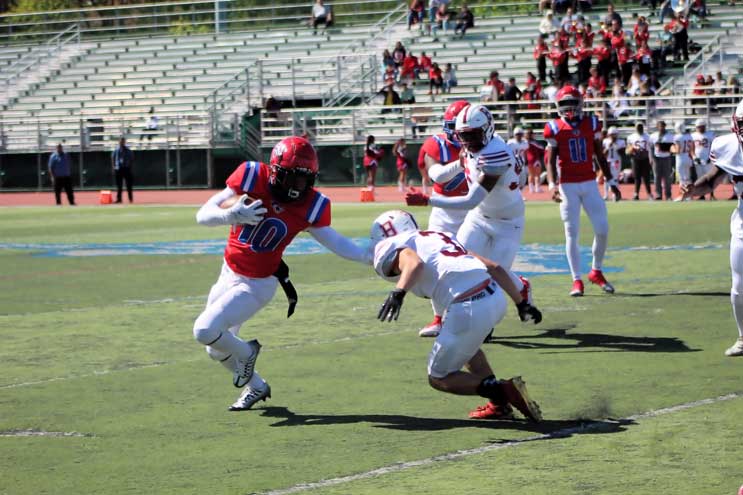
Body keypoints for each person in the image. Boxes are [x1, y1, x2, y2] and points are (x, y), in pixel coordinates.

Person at [193, 136, 372, 411]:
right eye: (291, 178)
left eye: (303, 180)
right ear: (275, 170)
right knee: (214, 349)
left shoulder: (312, 205)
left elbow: (337, 243)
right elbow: (203, 215)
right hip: (228, 272)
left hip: (256, 285)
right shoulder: (253, 175)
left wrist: (373, 257)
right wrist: (231, 215)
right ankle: (257, 386)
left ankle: (248, 351)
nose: (296, 187)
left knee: (204, 330)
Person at [371, 210, 543, 420]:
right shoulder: (438, 237)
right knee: (468, 349)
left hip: (469, 305)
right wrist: (521, 302)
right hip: (495, 297)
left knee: (439, 377)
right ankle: (499, 405)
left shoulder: (397, 246)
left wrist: (398, 292)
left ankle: (502, 391)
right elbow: (493, 266)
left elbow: (413, 263)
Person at [406, 104, 533, 334]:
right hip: (478, 218)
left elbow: (470, 200)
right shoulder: (471, 148)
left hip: (506, 223)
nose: (468, 142)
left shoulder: (495, 153)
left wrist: (427, 201)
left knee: (491, 278)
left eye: (473, 136)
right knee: (455, 264)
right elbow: (449, 172)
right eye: (463, 137)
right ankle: (450, 318)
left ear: (487, 129)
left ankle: (514, 294)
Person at [680, 99, 743, 356]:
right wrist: (695, 188)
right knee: (739, 285)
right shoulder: (728, 147)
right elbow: (713, 179)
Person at [544, 86, 619, 296]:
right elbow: (550, 161)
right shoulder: (554, 127)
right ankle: (576, 280)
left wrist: (611, 181)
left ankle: (596, 270)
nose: (568, 109)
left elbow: (599, 154)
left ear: (580, 104)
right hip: (568, 186)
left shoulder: (592, 123)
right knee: (571, 234)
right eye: (564, 104)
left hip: (589, 183)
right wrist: (552, 185)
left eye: (572, 104)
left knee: (602, 229)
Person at [414, 100, 471, 337]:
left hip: (474, 210)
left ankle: (476, 317)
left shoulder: (484, 143)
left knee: (474, 266)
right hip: (444, 209)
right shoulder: (435, 144)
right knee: (434, 264)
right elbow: (437, 175)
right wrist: (462, 162)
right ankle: (438, 318)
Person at [626, 122, 653, 200]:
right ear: (635, 127)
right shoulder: (631, 137)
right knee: (637, 177)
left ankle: (649, 194)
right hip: (636, 158)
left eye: (641, 126)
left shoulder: (648, 136)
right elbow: (627, 150)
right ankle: (636, 193)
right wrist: (632, 149)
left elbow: (650, 149)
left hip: (645, 158)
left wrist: (651, 159)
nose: (639, 128)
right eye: (638, 127)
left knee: (646, 177)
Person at [649, 120, 675, 200]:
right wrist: (651, 158)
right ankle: (658, 194)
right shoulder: (653, 136)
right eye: (660, 126)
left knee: (667, 177)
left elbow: (673, 147)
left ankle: (668, 195)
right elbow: (651, 148)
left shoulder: (670, 136)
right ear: (657, 127)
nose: (661, 128)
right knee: (657, 177)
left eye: (662, 126)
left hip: (666, 157)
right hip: (656, 158)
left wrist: (667, 150)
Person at [691, 119, 716, 200]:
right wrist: (694, 157)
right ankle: (702, 195)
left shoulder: (710, 134)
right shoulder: (693, 135)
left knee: (710, 177)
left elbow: (714, 147)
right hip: (698, 159)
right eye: (698, 127)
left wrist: (711, 156)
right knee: (700, 178)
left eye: (701, 127)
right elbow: (691, 148)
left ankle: (712, 194)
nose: (699, 128)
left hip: (708, 159)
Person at [602, 127, 625, 201]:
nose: (613, 136)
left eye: (614, 135)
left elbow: (622, 153)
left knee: (615, 178)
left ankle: (614, 194)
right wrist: (609, 146)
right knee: (606, 178)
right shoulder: (605, 141)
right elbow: (603, 154)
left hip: (616, 161)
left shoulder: (621, 142)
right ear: (609, 135)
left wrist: (615, 146)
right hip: (608, 161)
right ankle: (606, 195)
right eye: (611, 135)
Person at [672, 121, 695, 193]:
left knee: (682, 179)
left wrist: (672, 150)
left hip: (681, 158)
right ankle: (689, 194)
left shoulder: (677, 137)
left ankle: (684, 194)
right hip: (688, 157)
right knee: (688, 178)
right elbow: (692, 148)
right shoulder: (689, 136)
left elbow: (678, 150)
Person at [112, 137, 134, 204]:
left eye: (123, 141)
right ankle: (119, 199)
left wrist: (129, 166)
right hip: (118, 169)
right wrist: (114, 167)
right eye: (120, 141)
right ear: (119, 142)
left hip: (126, 168)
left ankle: (130, 198)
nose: (121, 143)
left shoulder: (128, 150)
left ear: (124, 142)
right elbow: (113, 158)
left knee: (129, 185)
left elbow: (131, 158)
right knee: (119, 185)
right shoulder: (116, 150)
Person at [525, 128, 546, 193]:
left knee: (530, 175)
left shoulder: (525, 142)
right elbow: (542, 148)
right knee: (537, 175)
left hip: (529, 160)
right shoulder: (534, 142)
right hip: (535, 159)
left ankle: (531, 189)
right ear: (531, 135)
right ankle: (537, 188)